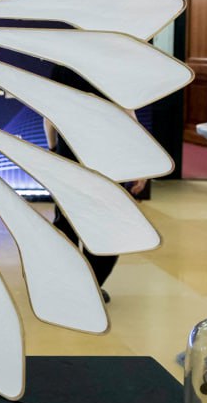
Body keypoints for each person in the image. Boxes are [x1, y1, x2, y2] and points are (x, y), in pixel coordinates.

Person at [43, 64, 147, 303]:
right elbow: (129, 116)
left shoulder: (61, 67)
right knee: (107, 223)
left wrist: (53, 149)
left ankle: (68, 284)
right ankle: (92, 285)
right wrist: (141, 161)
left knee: (66, 222)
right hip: (108, 158)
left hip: (69, 155)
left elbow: (49, 116)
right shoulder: (111, 67)